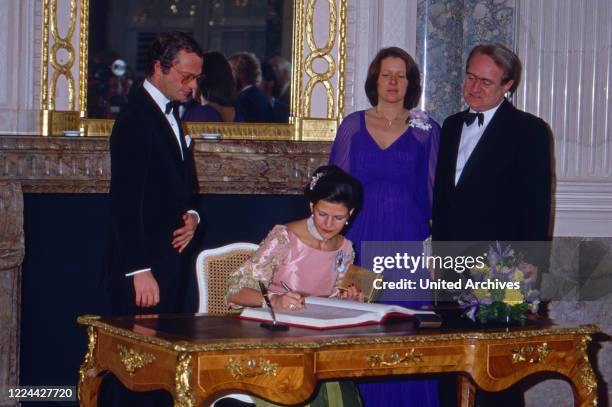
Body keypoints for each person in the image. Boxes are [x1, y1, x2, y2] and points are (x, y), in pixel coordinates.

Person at [431, 43, 553, 406]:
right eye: (470, 76)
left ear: (507, 85)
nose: (474, 87)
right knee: (450, 360)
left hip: (502, 267)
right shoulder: (451, 125)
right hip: (452, 265)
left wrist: (531, 262)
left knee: (497, 371)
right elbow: (444, 199)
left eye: (486, 81)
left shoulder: (529, 130)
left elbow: (537, 200)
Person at [329, 47, 440, 407]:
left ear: (411, 83)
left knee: (407, 335)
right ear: (374, 79)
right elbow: (335, 191)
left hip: (408, 246)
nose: (393, 82)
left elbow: (436, 195)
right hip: (360, 243)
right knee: (360, 332)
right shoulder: (353, 125)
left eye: (401, 75)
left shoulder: (427, 131)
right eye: (386, 74)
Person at [224, 165, 363, 407]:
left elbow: (331, 301)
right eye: (322, 214)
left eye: (338, 217)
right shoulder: (284, 237)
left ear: (350, 213)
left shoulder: (345, 249)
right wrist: (273, 301)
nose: (328, 224)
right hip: (271, 337)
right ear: (311, 207)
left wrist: (348, 299)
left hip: (316, 342)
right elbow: (234, 290)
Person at [183, 51, 245, 123]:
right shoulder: (238, 113)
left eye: (194, 75)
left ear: (202, 78)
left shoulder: (200, 113)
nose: (190, 82)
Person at [228, 52, 273, 123]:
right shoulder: (260, 96)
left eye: (229, 71)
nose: (227, 76)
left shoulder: (242, 101)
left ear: (241, 74)